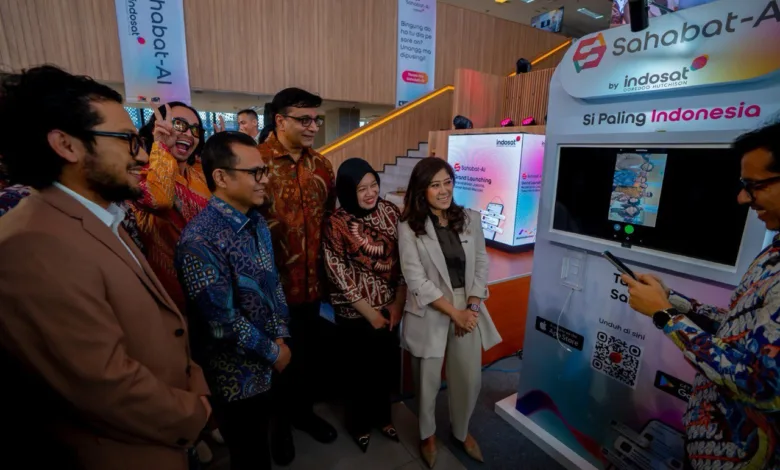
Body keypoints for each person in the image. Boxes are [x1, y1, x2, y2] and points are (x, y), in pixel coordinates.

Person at [0, 65, 211, 470]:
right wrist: (194, 412)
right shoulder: (29, 245)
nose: (143, 154)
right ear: (67, 145)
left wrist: (194, 384)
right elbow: (101, 385)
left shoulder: (99, 214)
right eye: (128, 140)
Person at [621, 122, 780, 470]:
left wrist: (666, 316)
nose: (743, 198)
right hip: (709, 443)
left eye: (755, 186)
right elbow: (741, 330)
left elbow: (763, 386)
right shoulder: (774, 252)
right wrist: (674, 301)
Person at [176, 131, 291, 470]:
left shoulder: (256, 221)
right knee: (249, 453)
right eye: (255, 172)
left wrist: (280, 335)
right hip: (236, 376)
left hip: (272, 353)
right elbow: (221, 322)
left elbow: (272, 283)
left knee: (266, 437)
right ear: (221, 177)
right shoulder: (200, 240)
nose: (264, 179)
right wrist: (273, 352)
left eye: (263, 170)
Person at [398, 157, 502, 468]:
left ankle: (461, 430)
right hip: (430, 306)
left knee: (468, 377)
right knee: (427, 380)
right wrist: (453, 313)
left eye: (447, 182)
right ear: (422, 190)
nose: (444, 190)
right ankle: (427, 435)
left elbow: (481, 263)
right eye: (435, 185)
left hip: (467, 305)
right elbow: (415, 279)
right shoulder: (409, 226)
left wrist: (471, 307)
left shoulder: (469, 218)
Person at [257, 87, 337, 464]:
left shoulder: (322, 165)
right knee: (276, 361)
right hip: (268, 289)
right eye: (304, 119)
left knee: (306, 357)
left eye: (316, 120)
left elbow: (330, 219)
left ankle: (303, 415)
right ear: (280, 120)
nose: (313, 127)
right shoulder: (255, 163)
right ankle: (279, 427)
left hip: (312, 287)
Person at [322, 158, 406, 453]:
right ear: (348, 190)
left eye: (374, 185)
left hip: (389, 308)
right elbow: (337, 273)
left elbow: (404, 259)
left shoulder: (391, 211)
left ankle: (383, 418)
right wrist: (370, 314)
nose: (371, 193)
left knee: (384, 368)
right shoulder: (336, 222)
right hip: (354, 313)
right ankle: (358, 425)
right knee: (357, 372)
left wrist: (398, 303)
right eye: (361, 189)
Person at [132, 102, 210, 312]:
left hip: (210, 288)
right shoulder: (141, 174)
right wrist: (161, 145)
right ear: (156, 128)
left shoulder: (198, 175)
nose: (189, 134)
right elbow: (160, 200)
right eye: (179, 125)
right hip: (170, 295)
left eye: (195, 129)